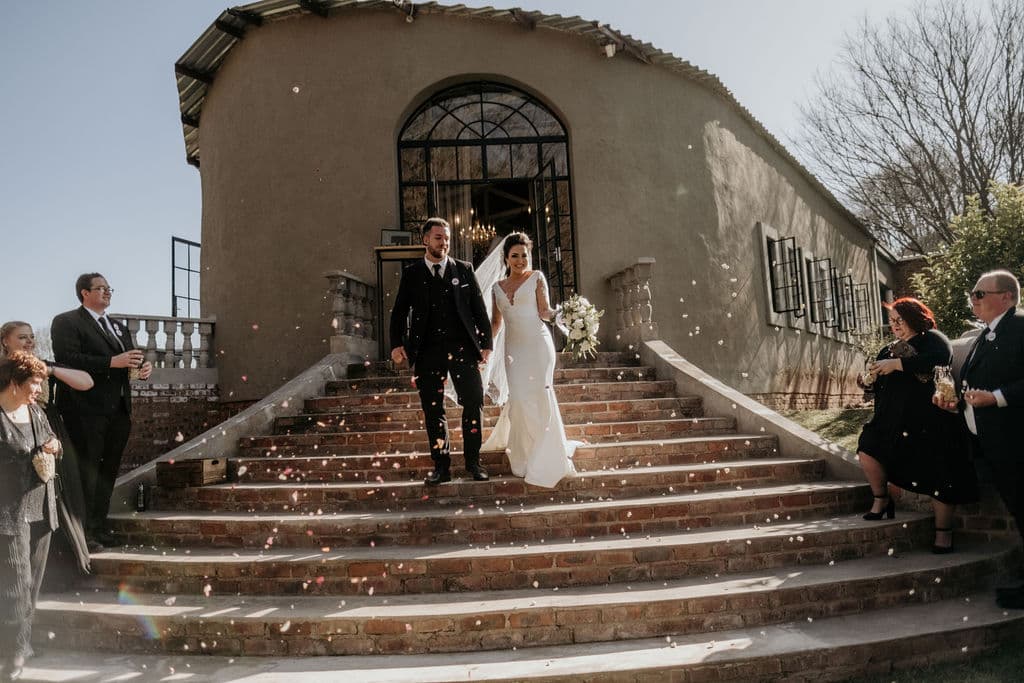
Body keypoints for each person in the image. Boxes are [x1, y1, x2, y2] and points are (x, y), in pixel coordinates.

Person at [856, 297, 977, 553]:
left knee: (941, 473)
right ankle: (881, 499)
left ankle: (943, 532)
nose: (895, 325)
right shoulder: (888, 349)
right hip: (890, 422)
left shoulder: (932, 339)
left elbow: (939, 360)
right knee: (867, 448)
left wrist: (898, 364)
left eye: (900, 320)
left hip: (930, 421)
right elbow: (879, 384)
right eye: (892, 321)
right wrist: (868, 380)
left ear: (914, 317)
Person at [935, 269, 1024, 609]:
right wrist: (954, 402)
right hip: (991, 444)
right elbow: (975, 387)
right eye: (972, 294)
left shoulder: (1019, 328)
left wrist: (997, 397)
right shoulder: (983, 335)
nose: (973, 299)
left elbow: (998, 390)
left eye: (980, 294)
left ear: (1007, 297)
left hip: (1017, 442)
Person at [50, 273, 151, 550]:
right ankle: (83, 535)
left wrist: (142, 368)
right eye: (101, 288)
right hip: (84, 411)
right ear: (84, 292)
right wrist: (111, 361)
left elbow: (129, 359)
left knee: (107, 472)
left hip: (119, 410)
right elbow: (67, 360)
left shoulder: (118, 326)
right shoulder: (67, 322)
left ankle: (100, 527)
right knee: (87, 471)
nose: (107, 292)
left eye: (109, 288)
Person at [389, 219, 493, 486]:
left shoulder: (464, 269)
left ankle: (473, 462)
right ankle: (442, 466)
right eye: (438, 238)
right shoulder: (412, 273)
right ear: (425, 240)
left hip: (462, 348)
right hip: (427, 351)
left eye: (446, 238)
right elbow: (399, 312)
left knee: (473, 402)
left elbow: (479, 310)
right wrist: (396, 344)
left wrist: (486, 344)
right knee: (433, 408)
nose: (443, 243)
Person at [477, 233, 577, 487]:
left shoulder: (536, 278)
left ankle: (546, 453)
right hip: (513, 350)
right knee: (520, 399)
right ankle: (526, 451)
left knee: (540, 395)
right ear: (506, 258)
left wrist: (566, 317)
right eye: (515, 256)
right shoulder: (497, 287)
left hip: (538, 345)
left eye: (524, 255)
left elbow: (544, 311)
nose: (521, 260)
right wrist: (485, 348)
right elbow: (496, 322)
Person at [1, 322, 94, 574]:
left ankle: (60, 567)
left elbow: (87, 381)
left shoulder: (42, 365)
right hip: (10, 436)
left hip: (46, 430)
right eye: (22, 337)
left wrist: (47, 369)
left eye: (32, 337)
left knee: (57, 499)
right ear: (5, 341)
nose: (29, 341)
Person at [0, 351, 61, 681]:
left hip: (41, 509)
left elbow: (53, 440)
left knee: (32, 584)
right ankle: (13, 657)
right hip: (8, 513)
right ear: (14, 382)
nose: (39, 390)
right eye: (34, 384)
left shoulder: (36, 411)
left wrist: (53, 445)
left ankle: (20, 644)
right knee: (15, 587)